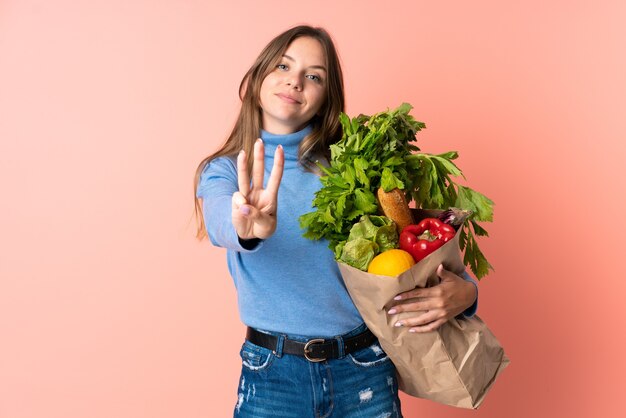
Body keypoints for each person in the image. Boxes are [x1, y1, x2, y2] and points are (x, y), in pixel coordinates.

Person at [194, 25, 478, 418]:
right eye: (283, 65)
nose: (295, 81)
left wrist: (466, 295)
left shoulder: (355, 172)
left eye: (314, 76)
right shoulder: (225, 172)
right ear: (258, 76)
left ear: (326, 97)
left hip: (363, 370)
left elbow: (414, 253)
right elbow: (221, 225)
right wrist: (248, 226)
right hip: (272, 377)